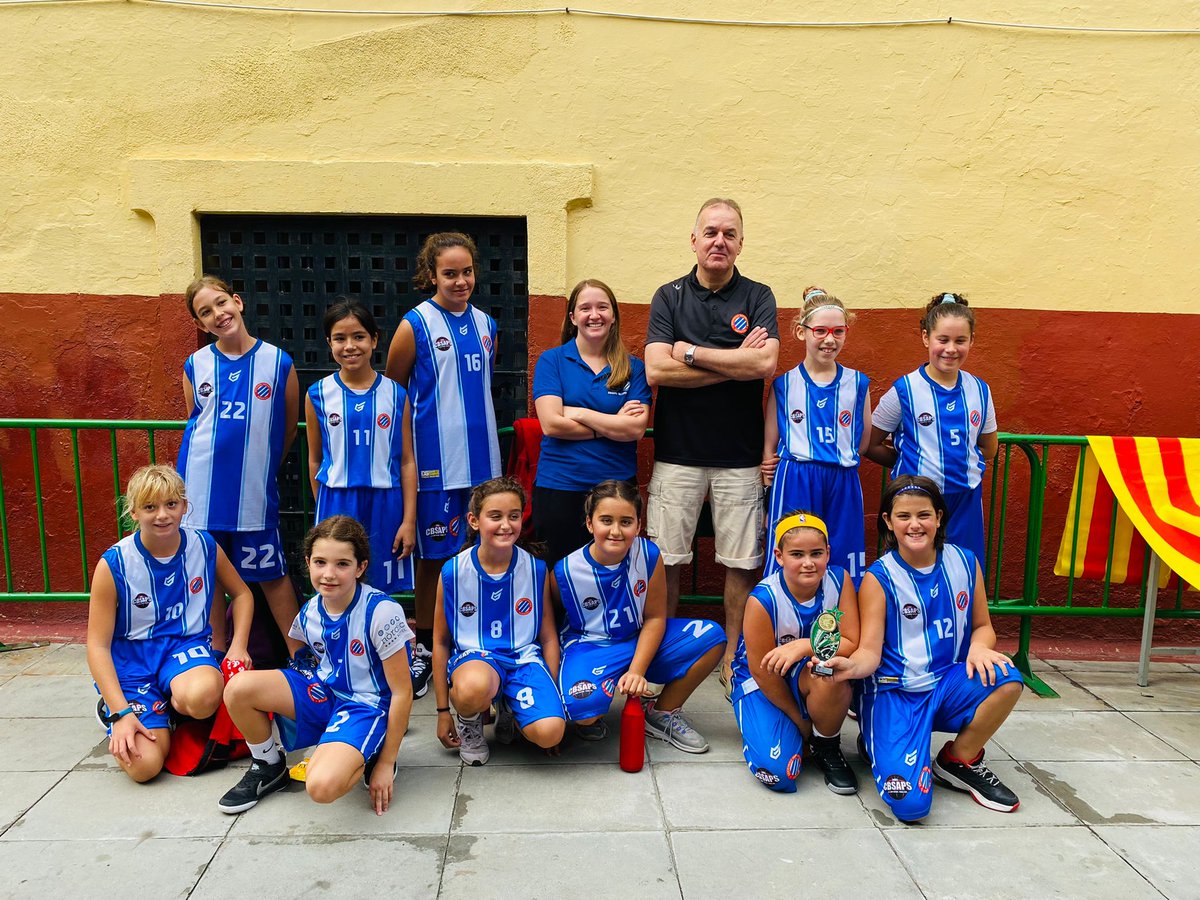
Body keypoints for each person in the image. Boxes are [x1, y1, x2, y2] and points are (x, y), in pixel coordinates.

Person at [822, 476, 1023, 821]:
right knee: (912, 806)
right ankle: (882, 739)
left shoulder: (965, 561)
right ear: (888, 521)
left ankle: (958, 758)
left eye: (924, 515)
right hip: (894, 691)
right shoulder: (878, 577)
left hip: (946, 682)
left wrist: (978, 648)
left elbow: (982, 626)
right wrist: (851, 668)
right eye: (903, 516)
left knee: (1006, 675)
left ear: (939, 517)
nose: (914, 525)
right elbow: (869, 649)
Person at [644, 198, 780, 689]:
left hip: (740, 457)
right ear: (694, 239)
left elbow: (764, 365)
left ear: (741, 242)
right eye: (710, 232)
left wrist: (693, 354)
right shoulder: (669, 296)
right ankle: (665, 653)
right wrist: (730, 364)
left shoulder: (759, 295)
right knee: (668, 559)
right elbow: (657, 370)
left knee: (742, 562)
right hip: (677, 454)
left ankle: (734, 658)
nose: (719, 241)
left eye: (729, 233)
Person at [218, 515, 414, 815]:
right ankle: (269, 765)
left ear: (360, 567)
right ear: (308, 562)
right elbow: (306, 655)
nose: (329, 574)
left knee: (320, 787)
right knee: (237, 688)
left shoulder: (382, 612)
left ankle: (374, 750)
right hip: (324, 691)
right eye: (320, 562)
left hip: (366, 705)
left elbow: (402, 692)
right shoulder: (311, 609)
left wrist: (387, 764)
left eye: (342, 564)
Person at [385, 232, 501, 700]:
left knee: (482, 556)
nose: (460, 281)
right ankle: (424, 651)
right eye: (449, 273)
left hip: (483, 466)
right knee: (433, 561)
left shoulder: (488, 324)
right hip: (434, 466)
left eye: (466, 271)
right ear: (430, 275)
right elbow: (392, 391)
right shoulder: (415, 324)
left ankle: (469, 644)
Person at [86, 464, 253, 782]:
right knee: (145, 767)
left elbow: (243, 595)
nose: (162, 515)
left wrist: (237, 646)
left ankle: (169, 706)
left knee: (204, 697)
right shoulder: (115, 564)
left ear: (184, 506)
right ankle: (118, 707)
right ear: (134, 512)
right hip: (132, 660)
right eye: (150, 507)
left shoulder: (203, 545)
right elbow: (97, 645)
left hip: (183, 647)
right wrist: (121, 713)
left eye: (171, 504)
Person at [178, 275, 301, 652]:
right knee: (212, 575)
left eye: (220, 303)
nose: (217, 314)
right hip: (201, 496)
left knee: (272, 574)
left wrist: (258, 467)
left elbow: (286, 429)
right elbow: (196, 424)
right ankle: (217, 653)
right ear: (199, 324)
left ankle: (302, 656)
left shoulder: (277, 361)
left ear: (237, 301)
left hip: (252, 495)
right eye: (205, 312)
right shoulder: (195, 365)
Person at [553, 480, 724, 751]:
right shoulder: (565, 570)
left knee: (712, 636)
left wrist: (637, 671)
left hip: (637, 638)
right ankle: (593, 703)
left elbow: (656, 617)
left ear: (638, 525)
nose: (616, 531)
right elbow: (552, 625)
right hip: (591, 646)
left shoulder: (648, 553)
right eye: (606, 520)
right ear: (589, 524)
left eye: (626, 521)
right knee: (584, 714)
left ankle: (661, 713)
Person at [432, 476, 566, 766]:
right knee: (473, 687)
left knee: (551, 733)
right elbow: (441, 641)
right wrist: (443, 710)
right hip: (477, 660)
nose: (506, 525)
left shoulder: (536, 569)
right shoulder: (454, 571)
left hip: (523, 660)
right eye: (495, 516)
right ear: (474, 520)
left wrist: (553, 697)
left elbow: (548, 637)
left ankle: (509, 706)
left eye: (514, 516)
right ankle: (471, 723)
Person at [729, 511, 859, 794]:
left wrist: (804, 645)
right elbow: (762, 671)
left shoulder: (839, 580)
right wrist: (799, 720)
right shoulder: (763, 599)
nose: (808, 563)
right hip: (764, 680)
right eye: (797, 554)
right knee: (778, 773)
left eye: (817, 553)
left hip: (808, 671)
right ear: (779, 556)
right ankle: (802, 727)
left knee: (831, 672)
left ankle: (827, 744)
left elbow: (851, 640)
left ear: (828, 553)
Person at [866, 293, 997, 567]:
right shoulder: (904, 390)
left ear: (972, 341)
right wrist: (908, 466)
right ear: (926, 338)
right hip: (916, 501)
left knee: (965, 571)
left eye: (960, 340)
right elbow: (871, 443)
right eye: (943, 340)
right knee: (913, 572)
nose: (951, 349)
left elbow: (989, 447)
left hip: (965, 500)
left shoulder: (981, 391)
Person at [532, 280, 650, 566]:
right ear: (573, 317)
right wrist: (612, 425)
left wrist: (579, 413)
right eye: (585, 308)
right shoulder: (552, 361)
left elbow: (635, 429)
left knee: (613, 570)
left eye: (602, 307)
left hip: (616, 488)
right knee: (557, 574)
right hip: (560, 486)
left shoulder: (633, 368)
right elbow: (551, 424)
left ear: (613, 316)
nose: (594, 315)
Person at [305, 298, 417, 599]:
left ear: (374, 340)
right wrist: (324, 508)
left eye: (359, 336)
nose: (350, 345)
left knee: (379, 586)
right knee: (336, 582)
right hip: (337, 498)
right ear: (329, 343)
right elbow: (315, 459)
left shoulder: (396, 394)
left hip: (385, 500)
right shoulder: (318, 394)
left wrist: (408, 520)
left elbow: (406, 461)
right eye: (340, 338)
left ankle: (378, 643)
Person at [762, 287, 871, 584]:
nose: (829, 339)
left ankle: (840, 622)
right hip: (797, 476)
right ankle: (784, 624)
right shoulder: (785, 384)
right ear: (801, 332)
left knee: (843, 554)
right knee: (792, 550)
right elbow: (769, 447)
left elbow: (861, 442)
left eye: (838, 331)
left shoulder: (857, 383)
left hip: (843, 478)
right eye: (820, 331)